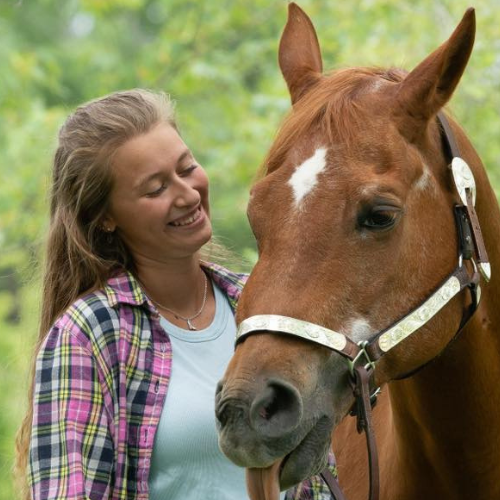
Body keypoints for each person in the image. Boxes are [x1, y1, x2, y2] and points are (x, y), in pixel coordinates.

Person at [15, 89, 337, 500]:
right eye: (155, 189)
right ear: (106, 217)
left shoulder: (260, 305)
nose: (187, 195)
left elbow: (322, 479)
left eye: (187, 168)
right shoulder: (87, 335)